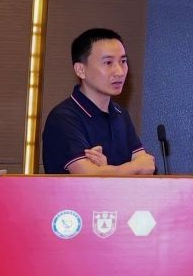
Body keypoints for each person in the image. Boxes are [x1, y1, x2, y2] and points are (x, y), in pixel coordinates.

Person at [41, 28, 158, 174]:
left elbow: (147, 168)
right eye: (108, 63)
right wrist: (132, 167)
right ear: (80, 70)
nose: (120, 72)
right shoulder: (63, 118)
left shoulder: (121, 114)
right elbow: (90, 176)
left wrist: (108, 169)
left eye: (123, 61)